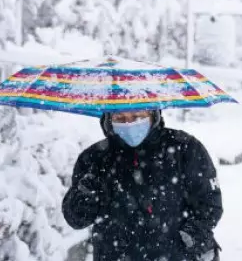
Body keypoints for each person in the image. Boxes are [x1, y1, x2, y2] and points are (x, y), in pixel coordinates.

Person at [62, 109, 223, 261]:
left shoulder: (185, 148)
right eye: (120, 118)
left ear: (153, 114)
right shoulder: (95, 158)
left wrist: (193, 234)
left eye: (138, 116)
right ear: (108, 119)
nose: (129, 124)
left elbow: (210, 203)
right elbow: (75, 219)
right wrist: (84, 198)